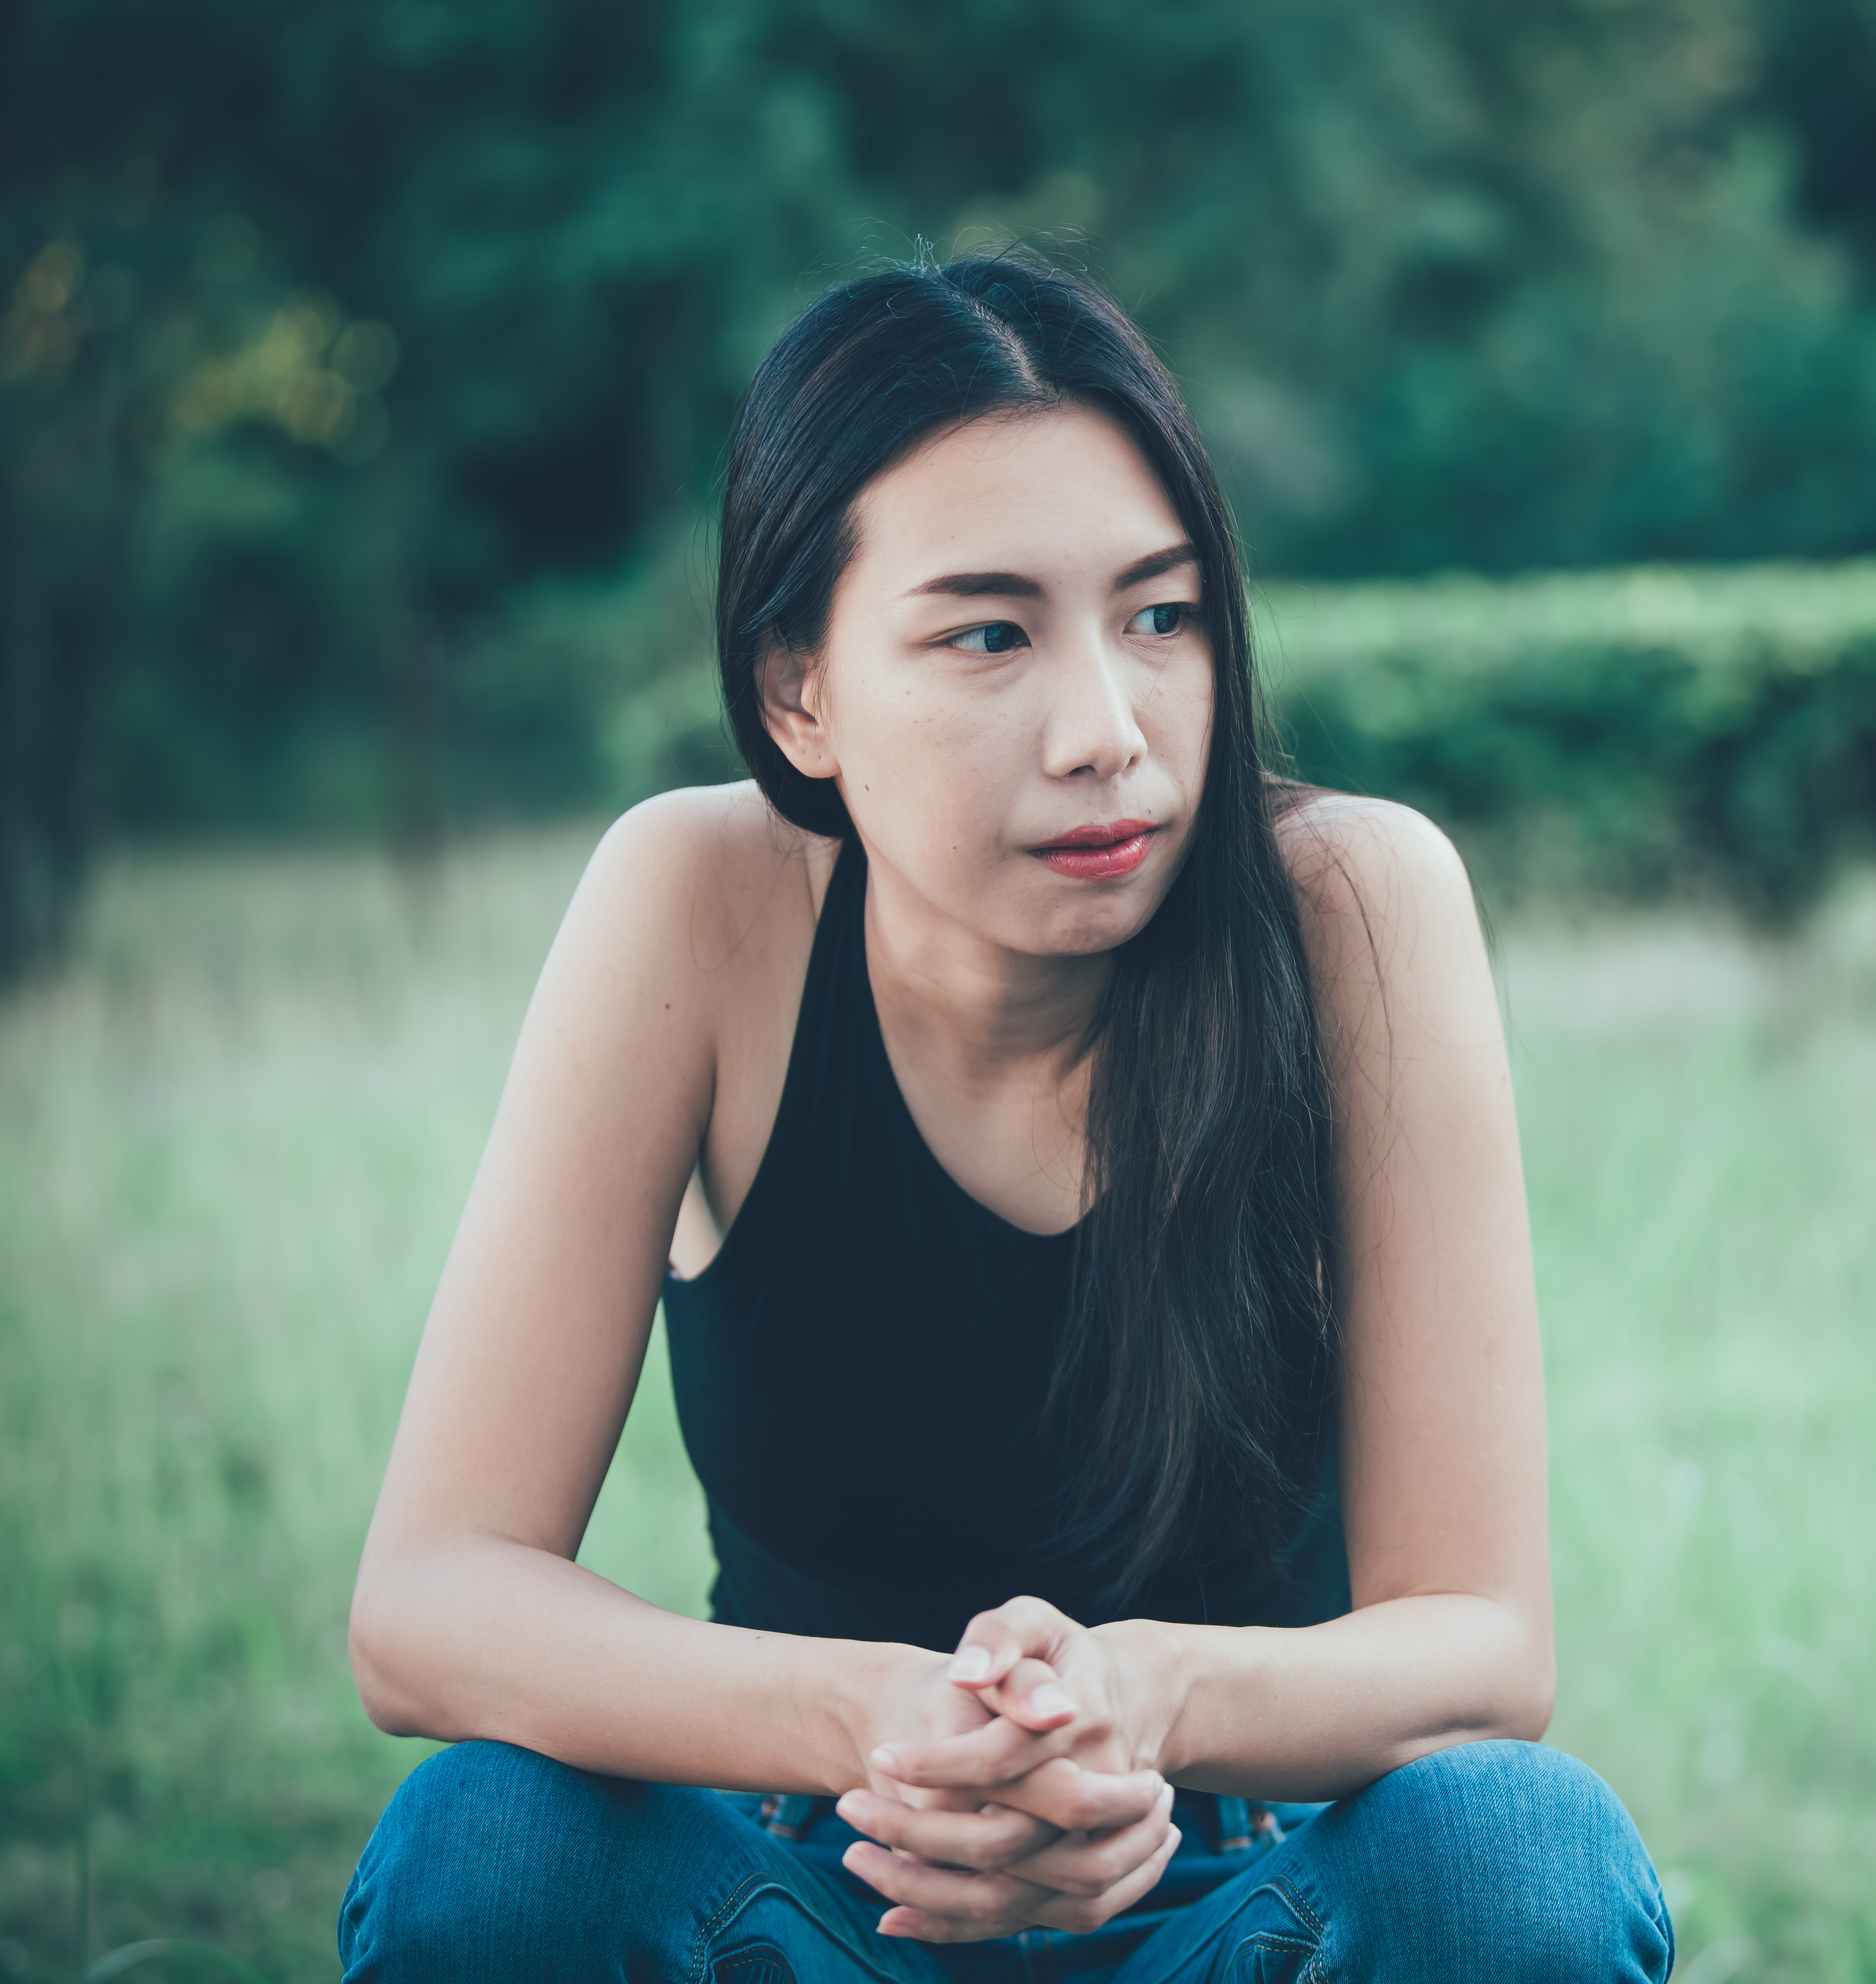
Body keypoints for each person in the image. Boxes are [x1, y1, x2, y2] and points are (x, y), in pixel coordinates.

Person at [335, 253, 1673, 1984]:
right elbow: (429, 1602)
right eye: (988, 633)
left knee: (1510, 1850)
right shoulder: (696, 901)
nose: (1110, 734)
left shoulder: (1353, 905)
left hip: (1242, 1896)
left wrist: (1146, 1698)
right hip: (807, 1890)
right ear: (798, 689)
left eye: (1162, 617)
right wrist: (874, 1718)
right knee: (490, 1847)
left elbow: (1486, 1650)